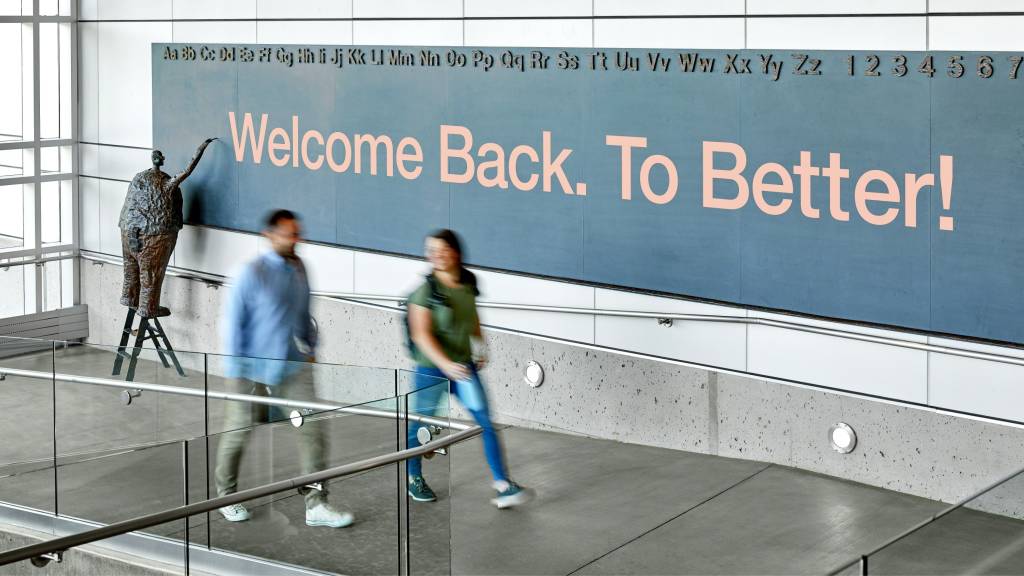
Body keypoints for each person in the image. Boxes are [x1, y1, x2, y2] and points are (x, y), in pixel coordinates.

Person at [215, 209, 353, 528]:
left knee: (312, 431)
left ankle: (317, 504)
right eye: (289, 233)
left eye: (297, 233)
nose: (296, 239)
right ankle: (226, 497)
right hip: (249, 369)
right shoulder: (252, 273)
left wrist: (311, 347)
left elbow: (304, 313)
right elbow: (233, 325)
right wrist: (235, 370)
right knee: (238, 431)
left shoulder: (301, 268)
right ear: (270, 235)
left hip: (291, 366)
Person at [406, 229, 534, 509]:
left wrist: (481, 345)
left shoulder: (467, 282)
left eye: (442, 250)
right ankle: (413, 478)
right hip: (432, 370)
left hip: (463, 370)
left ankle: (503, 484)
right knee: (419, 426)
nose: (436, 256)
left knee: (486, 422)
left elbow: (471, 315)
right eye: (431, 250)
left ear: (456, 253)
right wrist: (446, 365)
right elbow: (420, 335)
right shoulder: (425, 291)